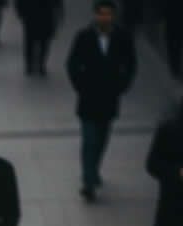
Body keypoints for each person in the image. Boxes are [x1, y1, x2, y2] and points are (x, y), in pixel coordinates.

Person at [66, 1, 136, 202]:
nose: (104, 18)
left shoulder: (122, 37)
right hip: (88, 98)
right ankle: (88, 181)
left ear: (114, 16)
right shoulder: (84, 36)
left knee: (102, 138)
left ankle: (94, 170)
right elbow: (72, 63)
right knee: (89, 140)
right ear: (95, 15)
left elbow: (130, 63)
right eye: (101, 14)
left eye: (108, 14)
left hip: (109, 98)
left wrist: (121, 86)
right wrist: (80, 85)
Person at [15, 0, 63, 75]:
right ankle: (38, 64)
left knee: (32, 41)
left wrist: (20, 12)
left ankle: (33, 64)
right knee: (41, 41)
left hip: (34, 14)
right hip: (42, 14)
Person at [164, 0, 183, 79]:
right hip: (174, 19)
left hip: (172, 20)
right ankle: (175, 69)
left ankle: (175, 69)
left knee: (173, 46)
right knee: (174, 45)